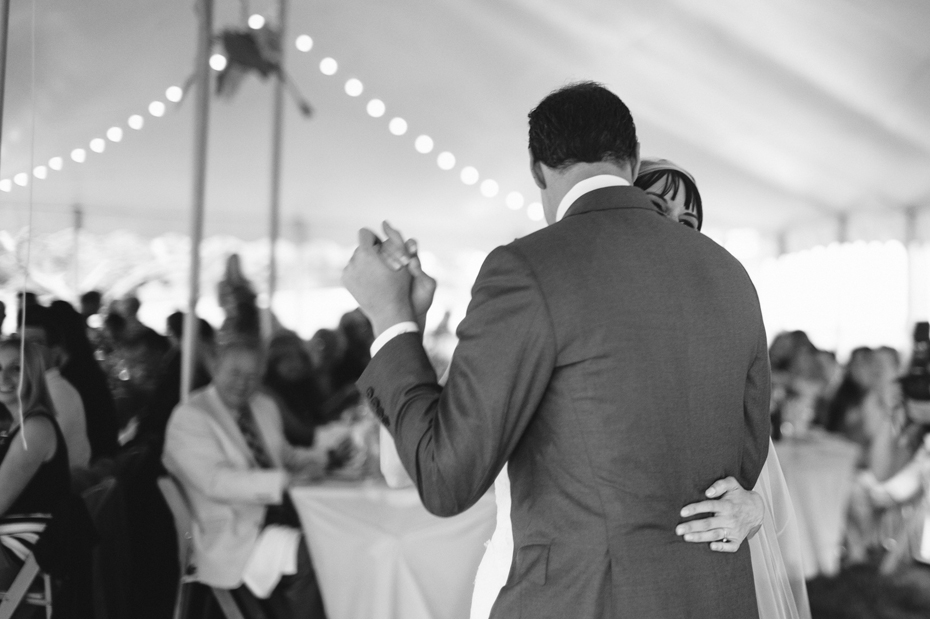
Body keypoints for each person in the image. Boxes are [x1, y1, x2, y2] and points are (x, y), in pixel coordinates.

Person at [343, 82, 771, 618]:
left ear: (536, 170)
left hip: (578, 599)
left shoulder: (528, 273)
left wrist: (391, 319)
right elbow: (749, 456)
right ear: (631, 158)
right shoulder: (732, 277)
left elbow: (444, 477)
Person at [163, 338, 332, 619]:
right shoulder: (190, 416)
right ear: (215, 368)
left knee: (338, 534)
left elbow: (284, 455)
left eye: (252, 376)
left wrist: (323, 459)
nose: (243, 383)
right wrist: (283, 481)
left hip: (281, 516)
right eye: (235, 373)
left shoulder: (263, 405)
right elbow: (216, 482)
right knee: (311, 551)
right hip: (233, 530)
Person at [0, 339, 71, 611]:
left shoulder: (34, 429)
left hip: (20, 550)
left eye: (15, 369)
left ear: (32, 373)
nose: (3, 378)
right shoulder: (24, 422)